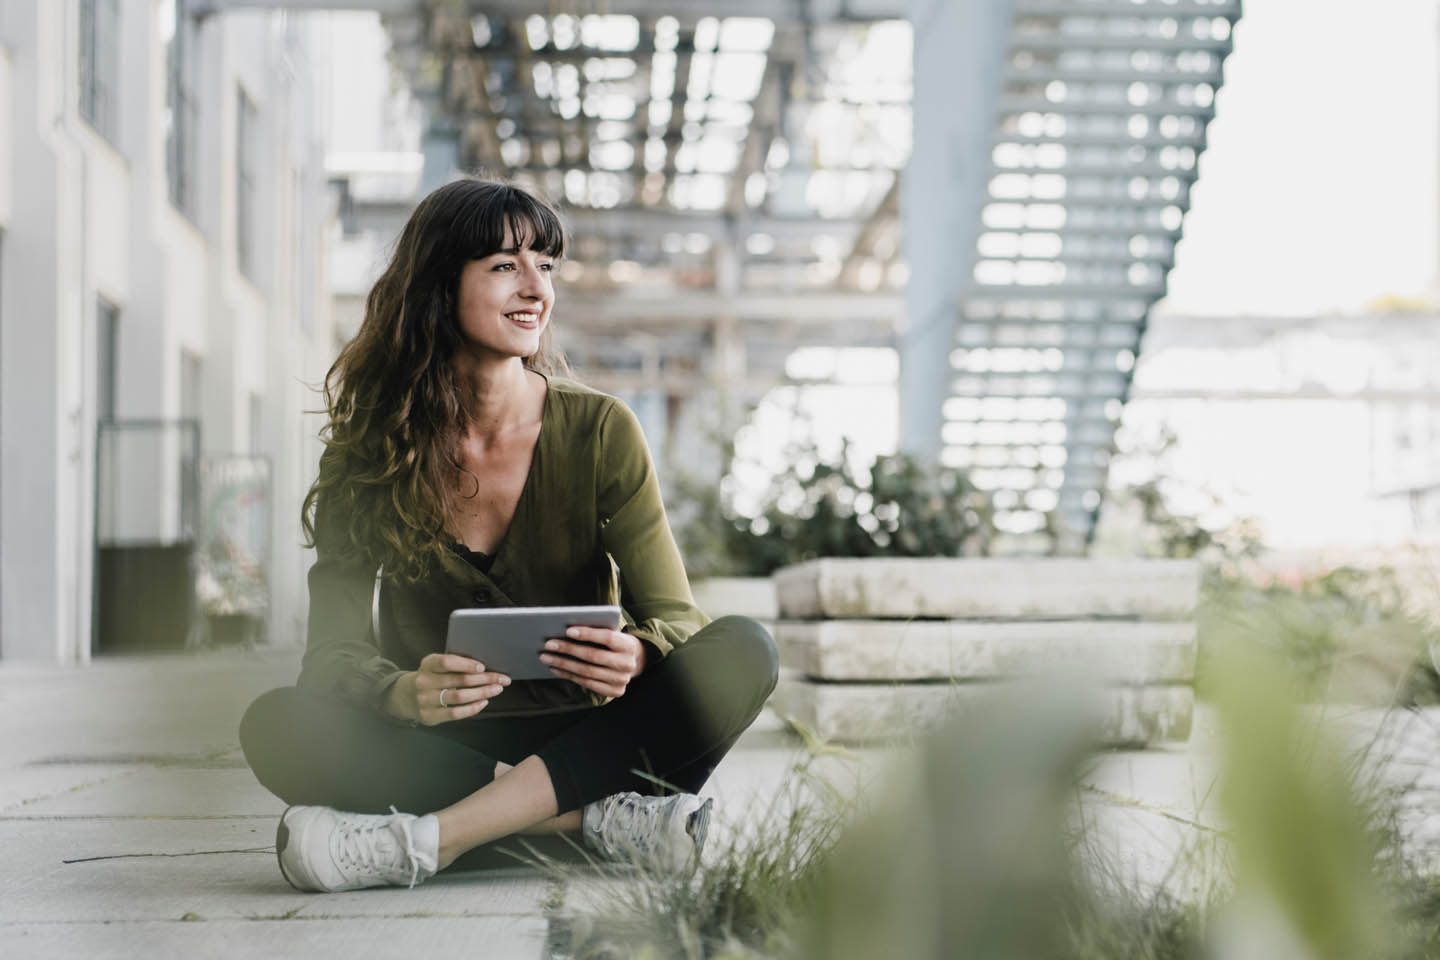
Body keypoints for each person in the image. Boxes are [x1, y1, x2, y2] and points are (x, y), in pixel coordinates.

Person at [239, 177, 778, 893]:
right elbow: (331, 651)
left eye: (546, 267)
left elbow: (677, 617)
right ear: (438, 286)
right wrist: (401, 693)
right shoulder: (368, 450)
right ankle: (604, 826)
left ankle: (429, 840)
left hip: (598, 741)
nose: (536, 290)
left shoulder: (601, 430)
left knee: (745, 650)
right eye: (504, 266)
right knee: (275, 722)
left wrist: (639, 656)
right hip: (445, 746)